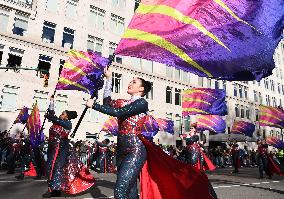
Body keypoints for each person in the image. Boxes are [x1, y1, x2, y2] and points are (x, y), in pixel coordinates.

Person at [86, 67, 215, 199]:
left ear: (141, 89)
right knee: (130, 190)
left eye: (134, 82)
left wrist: (94, 105)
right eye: (131, 81)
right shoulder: (123, 102)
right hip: (121, 149)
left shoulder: (142, 103)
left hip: (135, 150)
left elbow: (118, 113)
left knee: (120, 191)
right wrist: (108, 79)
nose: (130, 83)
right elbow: (107, 104)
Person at [43, 96, 95, 198]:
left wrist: (49, 116)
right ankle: (55, 188)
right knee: (50, 167)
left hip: (61, 148)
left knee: (57, 167)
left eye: (62, 114)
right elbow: (51, 114)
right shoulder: (57, 121)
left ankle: (54, 189)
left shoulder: (67, 124)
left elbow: (52, 117)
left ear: (66, 117)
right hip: (52, 148)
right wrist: (52, 102)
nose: (60, 115)